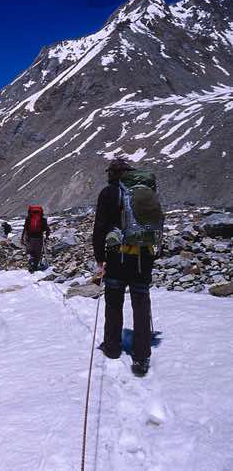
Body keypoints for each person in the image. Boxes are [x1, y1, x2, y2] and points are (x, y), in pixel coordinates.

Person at [93, 157, 154, 377]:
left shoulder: (108, 193)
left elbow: (100, 227)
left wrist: (100, 259)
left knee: (113, 304)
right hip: (142, 259)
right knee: (140, 306)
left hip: (117, 259)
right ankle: (142, 355)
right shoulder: (145, 192)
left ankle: (112, 347)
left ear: (111, 173)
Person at [21, 205, 50, 273]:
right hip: (39, 238)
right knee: (38, 254)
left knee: (30, 252)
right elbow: (47, 229)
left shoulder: (28, 219)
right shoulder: (43, 220)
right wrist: (47, 237)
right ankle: (35, 267)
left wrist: (22, 238)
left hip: (30, 238)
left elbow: (25, 229)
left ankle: (31, 265)